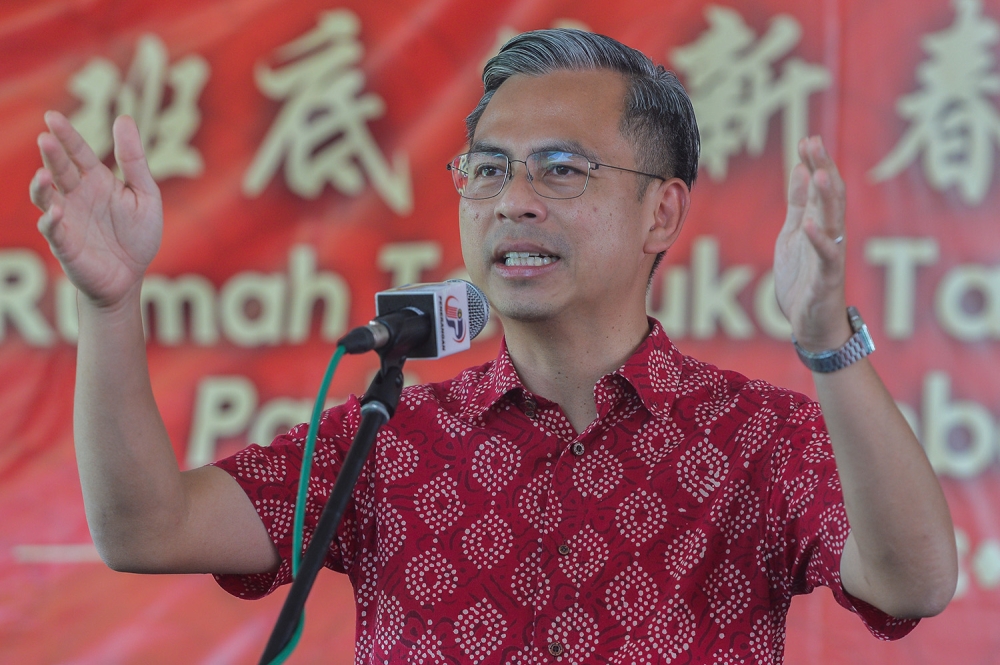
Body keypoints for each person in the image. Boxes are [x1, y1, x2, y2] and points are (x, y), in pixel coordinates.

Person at [30, 28, 956, 664]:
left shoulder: (761, 437)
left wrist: (828, 341)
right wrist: (110, 305)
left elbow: (913, 581)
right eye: (487, 169)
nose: (514, 198)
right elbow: (146, 529)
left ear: (661, 210)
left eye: (561, 168)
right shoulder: (388, 437)